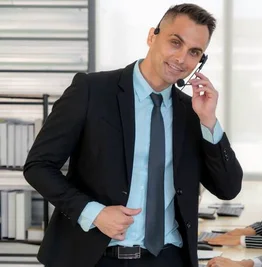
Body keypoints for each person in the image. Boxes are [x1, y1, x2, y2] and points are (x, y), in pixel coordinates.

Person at [23, 4, 243, 267]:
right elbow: (38, 166)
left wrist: (209, 121)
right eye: (175, 42)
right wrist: (94, 213)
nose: (182, 59)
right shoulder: (91, 91)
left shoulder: (192, 112)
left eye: (194, 52)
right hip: (94, 258)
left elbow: (228, 188)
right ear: (152, 36)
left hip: (168, 259)